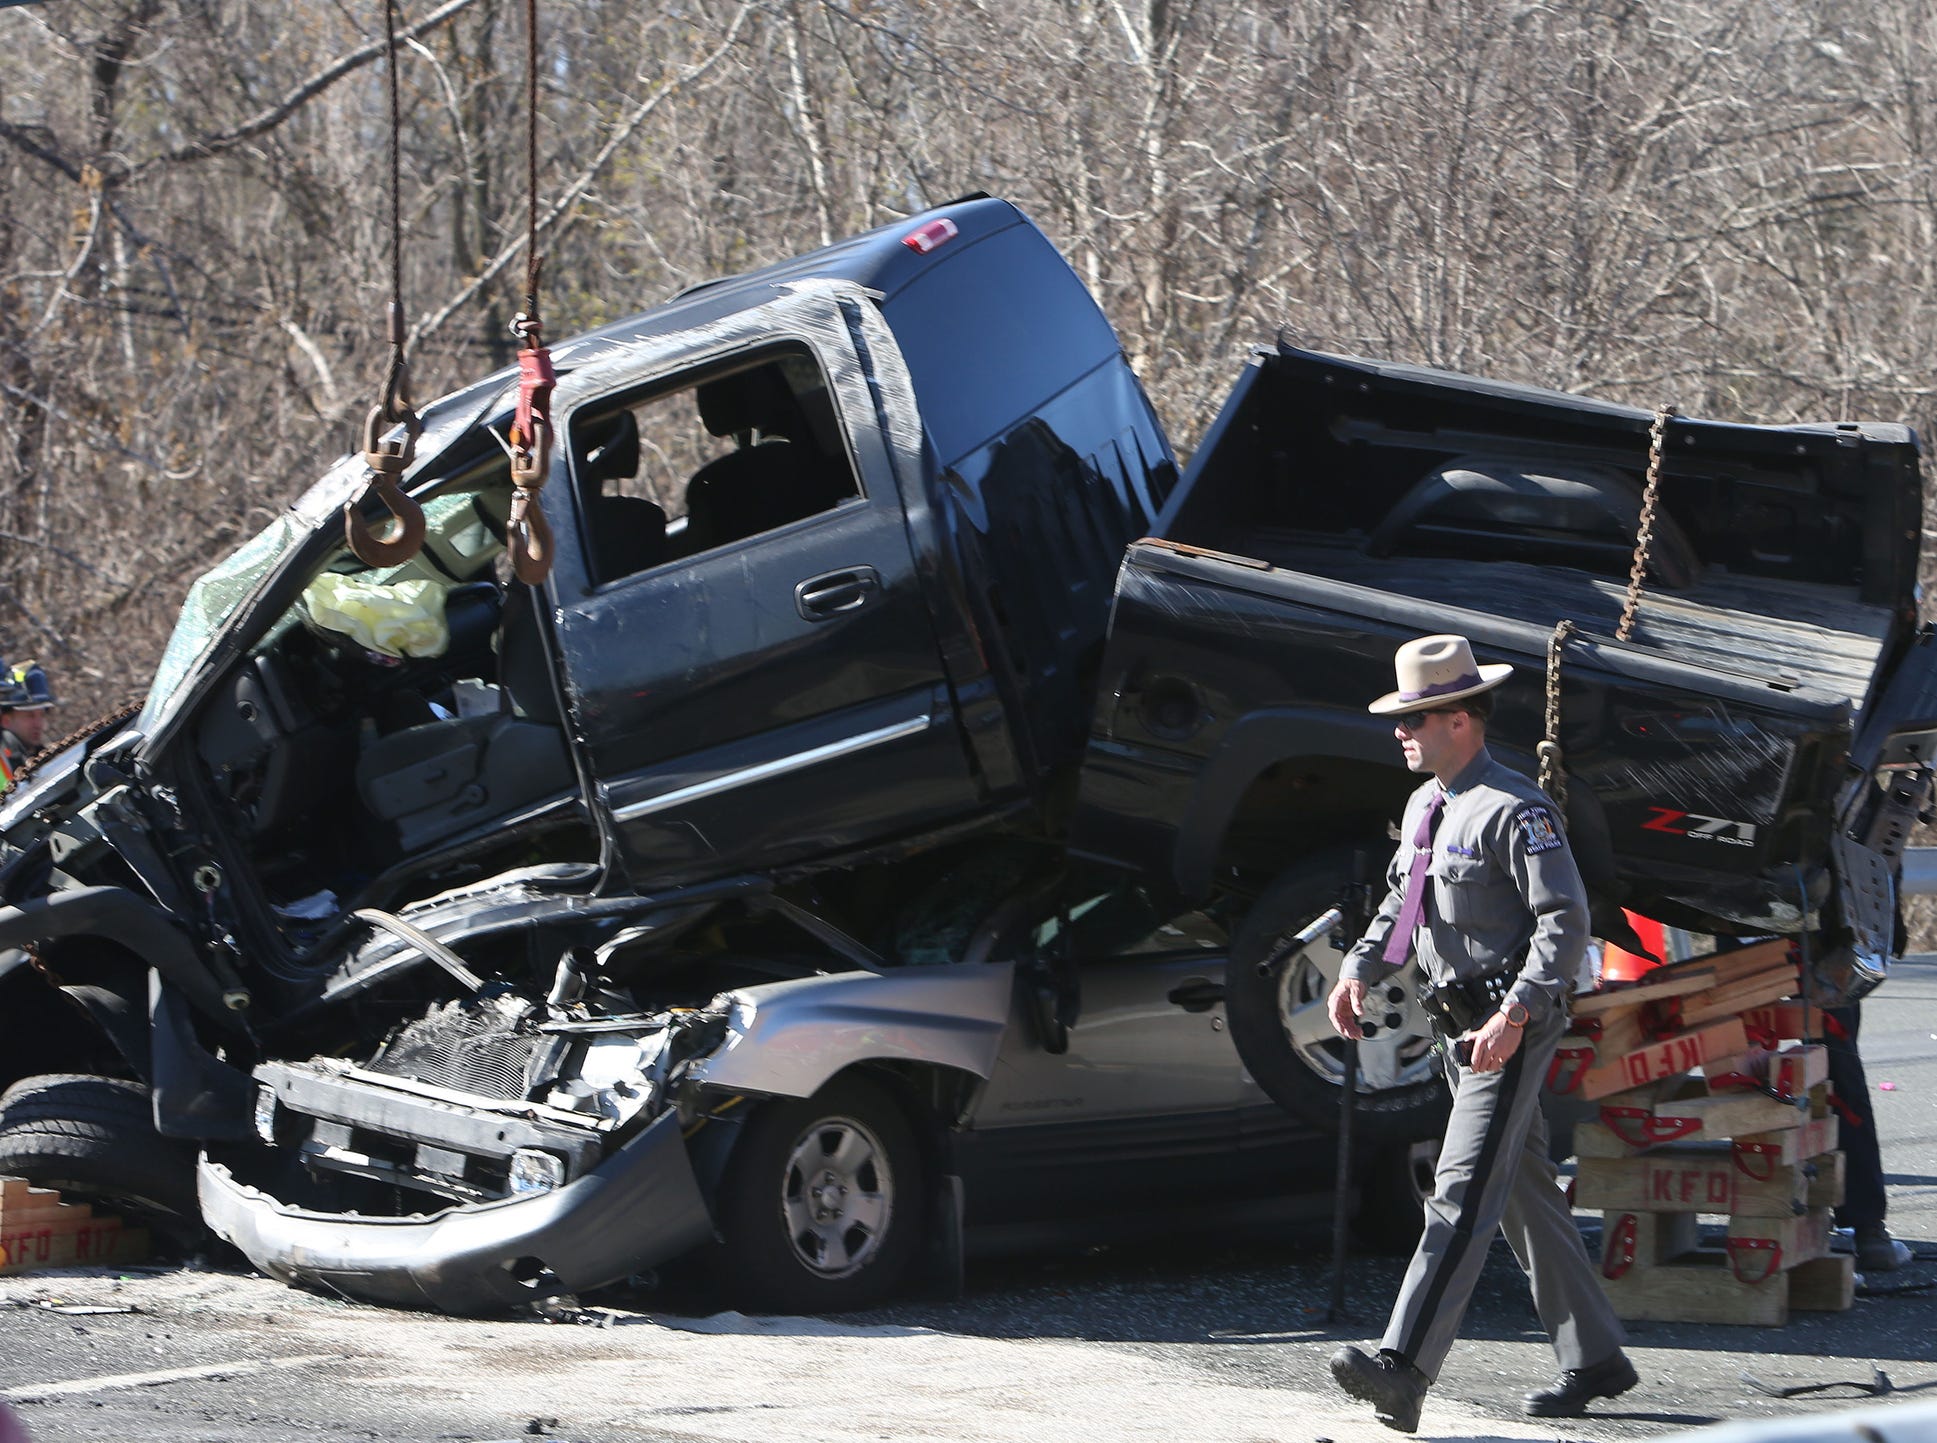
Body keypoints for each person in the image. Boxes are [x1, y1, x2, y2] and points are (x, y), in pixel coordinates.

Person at [1324, 634, 1636, 1433]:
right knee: (1522, 1189)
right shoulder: (1425, 806)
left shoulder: (1515, 808)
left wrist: (1517, 1011)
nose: (1400, 731)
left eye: (1414, 718)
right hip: (1457, 1029)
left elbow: (1563, 919)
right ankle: (1595, 1354)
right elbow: (1401, 906)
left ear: (1460, 719)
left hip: (1507, 1025)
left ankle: (1403, 1366)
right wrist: (1358, 968)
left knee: (1459, 1191)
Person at [0, 659, 57, 781]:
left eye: (41, 715)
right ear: (5, 721)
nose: (38, 723)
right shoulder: (5, 762)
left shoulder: (39, 757)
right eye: (30, 715)